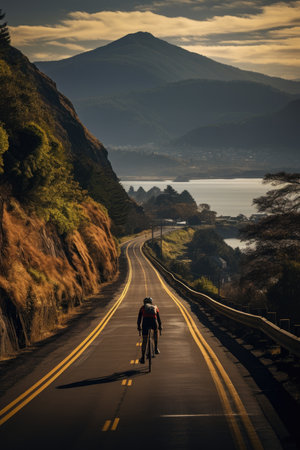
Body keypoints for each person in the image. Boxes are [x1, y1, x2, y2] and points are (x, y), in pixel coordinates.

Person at [137, 297, 162, 364]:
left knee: (145, 340)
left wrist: (139, 327)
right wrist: (160, 326)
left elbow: (139, 319)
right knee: (156, 332)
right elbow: (159, 319)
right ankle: (156, 348)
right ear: (151, 302)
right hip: (153, 322)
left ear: (144, 303)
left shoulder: (142, 308)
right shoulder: (155, 307)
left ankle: (143, 358)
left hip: (145, 323)